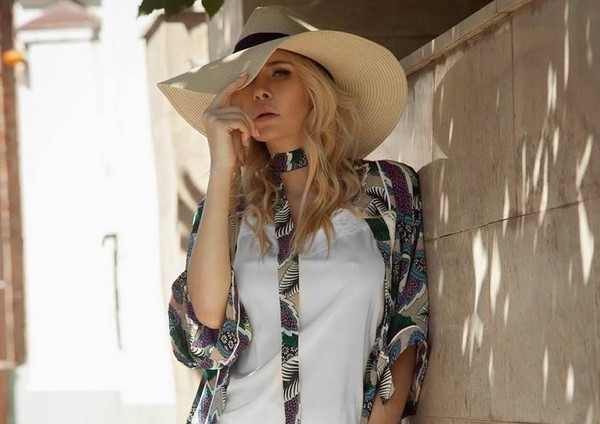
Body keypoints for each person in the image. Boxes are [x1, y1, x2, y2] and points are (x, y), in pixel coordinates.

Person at [159, 5, 429, 424]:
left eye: (280, 73)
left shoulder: (387, 192)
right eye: (248, 81)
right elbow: (206, 320)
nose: (260, 92)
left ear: (314, 89)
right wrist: (224, 168)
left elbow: (406, 328)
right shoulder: (229, 210)